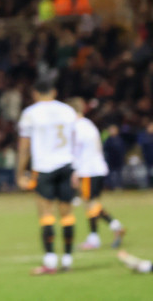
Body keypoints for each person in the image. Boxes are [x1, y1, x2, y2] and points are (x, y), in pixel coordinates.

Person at [16, 76, 78, 275]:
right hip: (67, 166)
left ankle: (50, 261)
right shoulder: (68, 111)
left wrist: (19, 173)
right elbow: (76, 140)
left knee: (46, 214)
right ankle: (67, 259)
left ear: (35, 93)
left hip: (44, 167)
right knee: (67, 214)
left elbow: (24, 147)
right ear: (54, 92)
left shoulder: (30, 113)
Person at [68, 97, 125, 250]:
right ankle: (113, 228)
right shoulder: (88, 125)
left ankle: (98, 236)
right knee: (92, 203)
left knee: (90, 204)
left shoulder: (77, 127)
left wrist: (75, 171)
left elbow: (77, 152)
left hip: (88, 170)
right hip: (98, 168)